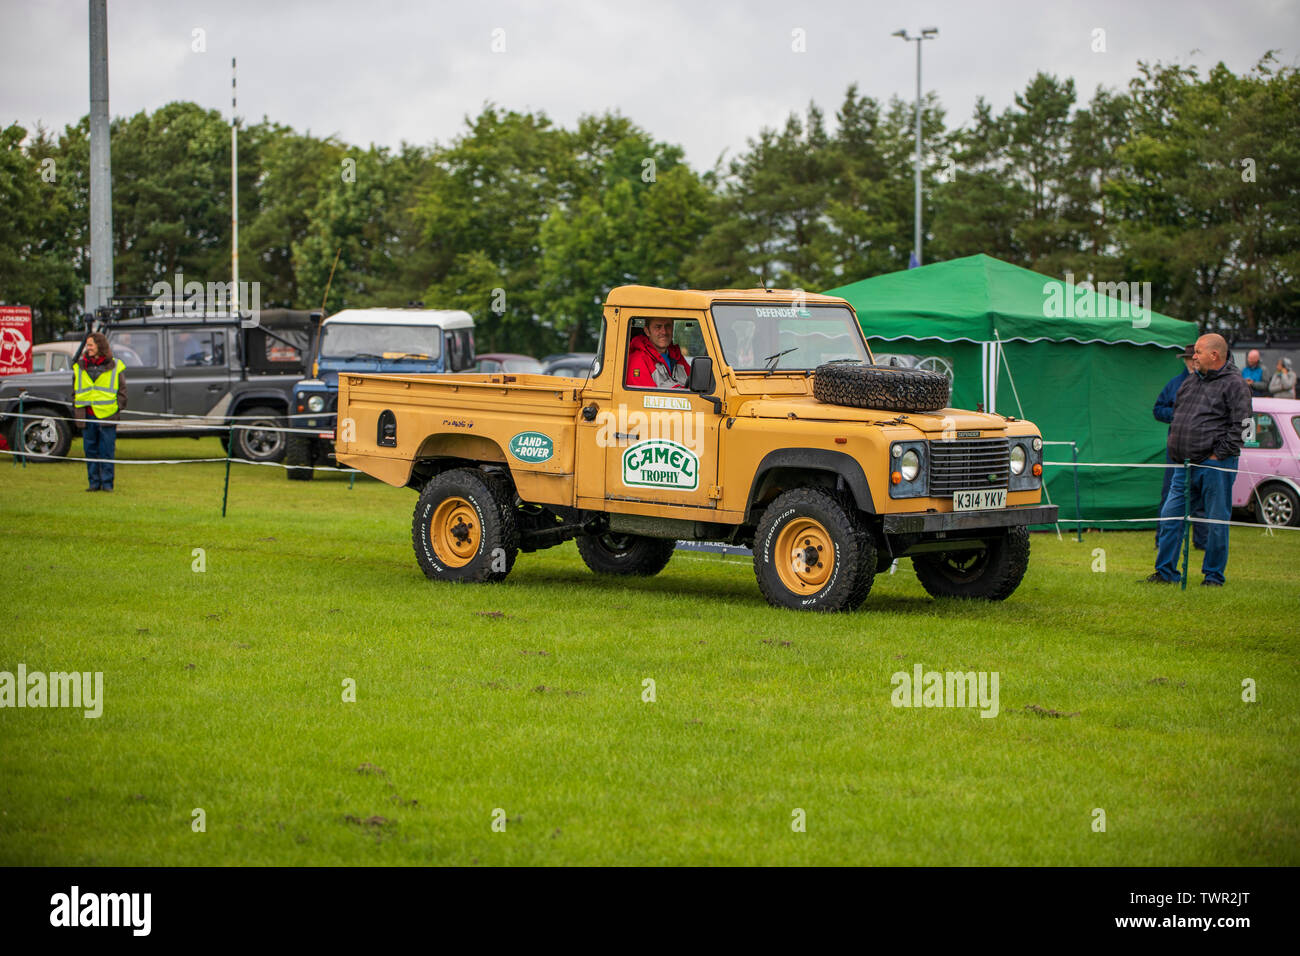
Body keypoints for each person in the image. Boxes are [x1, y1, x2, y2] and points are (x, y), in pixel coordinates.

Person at [1145, 333, 1252, 587]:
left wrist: (1219, 454)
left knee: (1215, 522)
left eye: (1198, 352)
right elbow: (1178, 414)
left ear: (1214, 355)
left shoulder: (1236, 385)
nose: (1194, 356)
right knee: (1170, 516)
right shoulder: (1190, 383)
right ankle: (1165, 572)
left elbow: (1246, 428)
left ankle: (1213, 577)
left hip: (1216, 465)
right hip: (1183, 464)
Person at [1152, 345, 1206, 550]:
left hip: (1202, 448)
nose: (1193, 362)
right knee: (1170, 494)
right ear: (1185, 361)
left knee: (1201, 496)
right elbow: (1158, 410)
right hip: (1177, 448)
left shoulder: (1211, 384)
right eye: (1190, 359)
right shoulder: (1175, 384)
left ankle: (1202, 541)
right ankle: (1162, 539)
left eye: (1196, 358)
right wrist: (1178, 417)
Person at [72, 332, 127, 492]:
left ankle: (107, 484)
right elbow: (75, 390)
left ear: (99, 346)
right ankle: (93, 483)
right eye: (87, 345)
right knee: (90, 451)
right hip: (87, 416)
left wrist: (116, 408)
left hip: (107, 416)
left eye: (90, 345)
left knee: (107, 451)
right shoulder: (80, 366)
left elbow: (122, 392)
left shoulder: (115, 366)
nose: (87, 348)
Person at [626, 317, 690, 389]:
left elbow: (695, 384)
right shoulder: (638, 360)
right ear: (647, 331)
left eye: (668, 326)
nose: (664, 332)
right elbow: (645, 397)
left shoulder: (677, 356)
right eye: (658, 327)